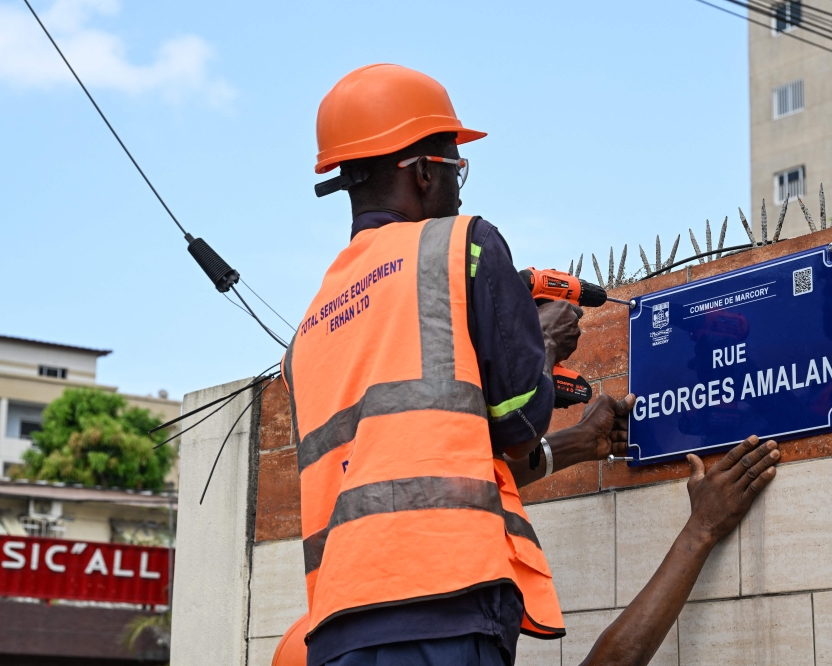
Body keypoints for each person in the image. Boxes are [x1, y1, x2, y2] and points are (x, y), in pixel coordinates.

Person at [278, 63, 780, 666]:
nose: (460, 186)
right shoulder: (461, 245)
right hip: (446, 602)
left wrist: (576, 443)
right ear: (418, 172)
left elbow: (434, 465)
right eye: (454, 165)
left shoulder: (307, 334)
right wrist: (539, 344)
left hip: (334, 628)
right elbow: (518, 425)